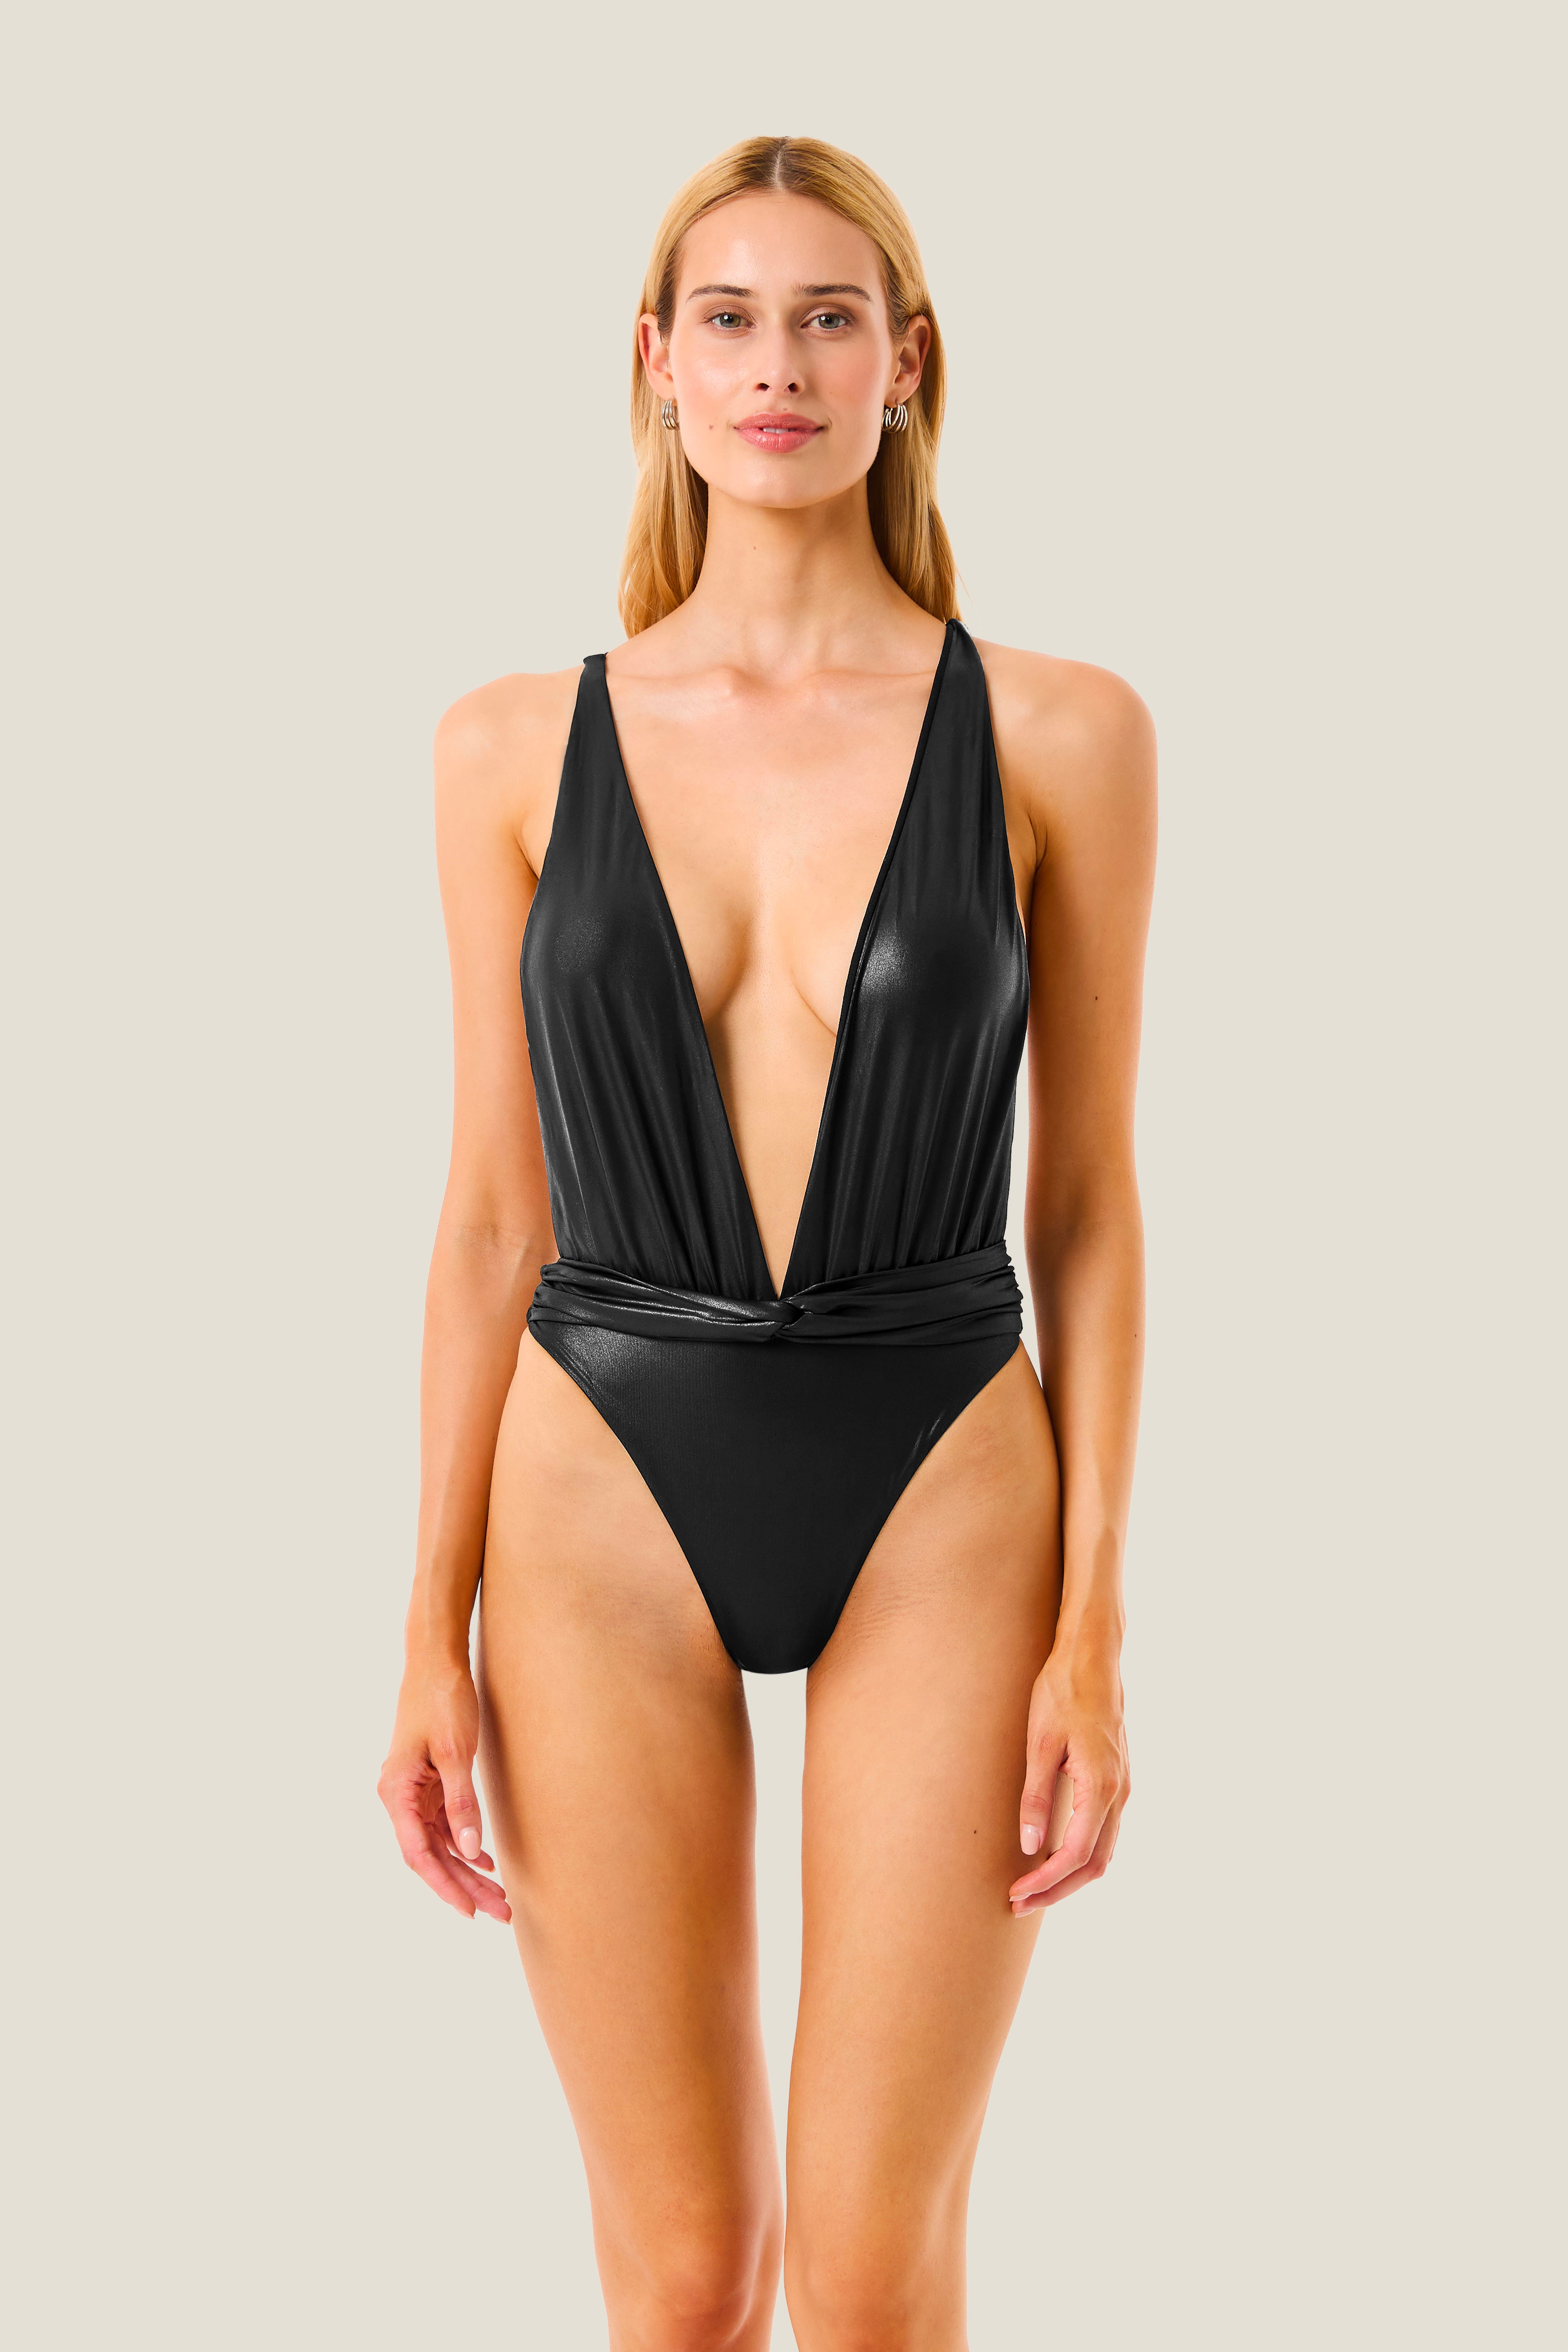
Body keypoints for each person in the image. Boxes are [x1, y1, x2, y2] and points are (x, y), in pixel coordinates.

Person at [379, 134, 1155, 2352]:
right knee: (686, 2278)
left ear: (908, 365)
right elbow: (490, 1213)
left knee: (876, 2280)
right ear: (655, 363)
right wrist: (424, 1628)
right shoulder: (510, 747)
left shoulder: (1062, 732)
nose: (778, 366)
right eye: (728, 318)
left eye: (829, 318)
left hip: (942, 1467)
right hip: (597, 1479)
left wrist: (1095, 1627)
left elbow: (1088, 1204)